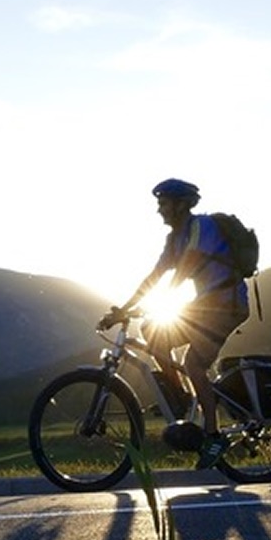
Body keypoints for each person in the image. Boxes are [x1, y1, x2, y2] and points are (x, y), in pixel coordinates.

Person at [99, 178, 252, 469]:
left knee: (193, 364)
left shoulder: (200, 228)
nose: (159, 210)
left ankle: (213, 435)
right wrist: (124, 309)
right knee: (152, 333)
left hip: (227, 304)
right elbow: (154, 276)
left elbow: (186, 267)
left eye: (163, 204)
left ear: (181, 205)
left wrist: (159, 302)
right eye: (159, 204)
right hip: (207, 305)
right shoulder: (173, 239)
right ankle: (181, 399)